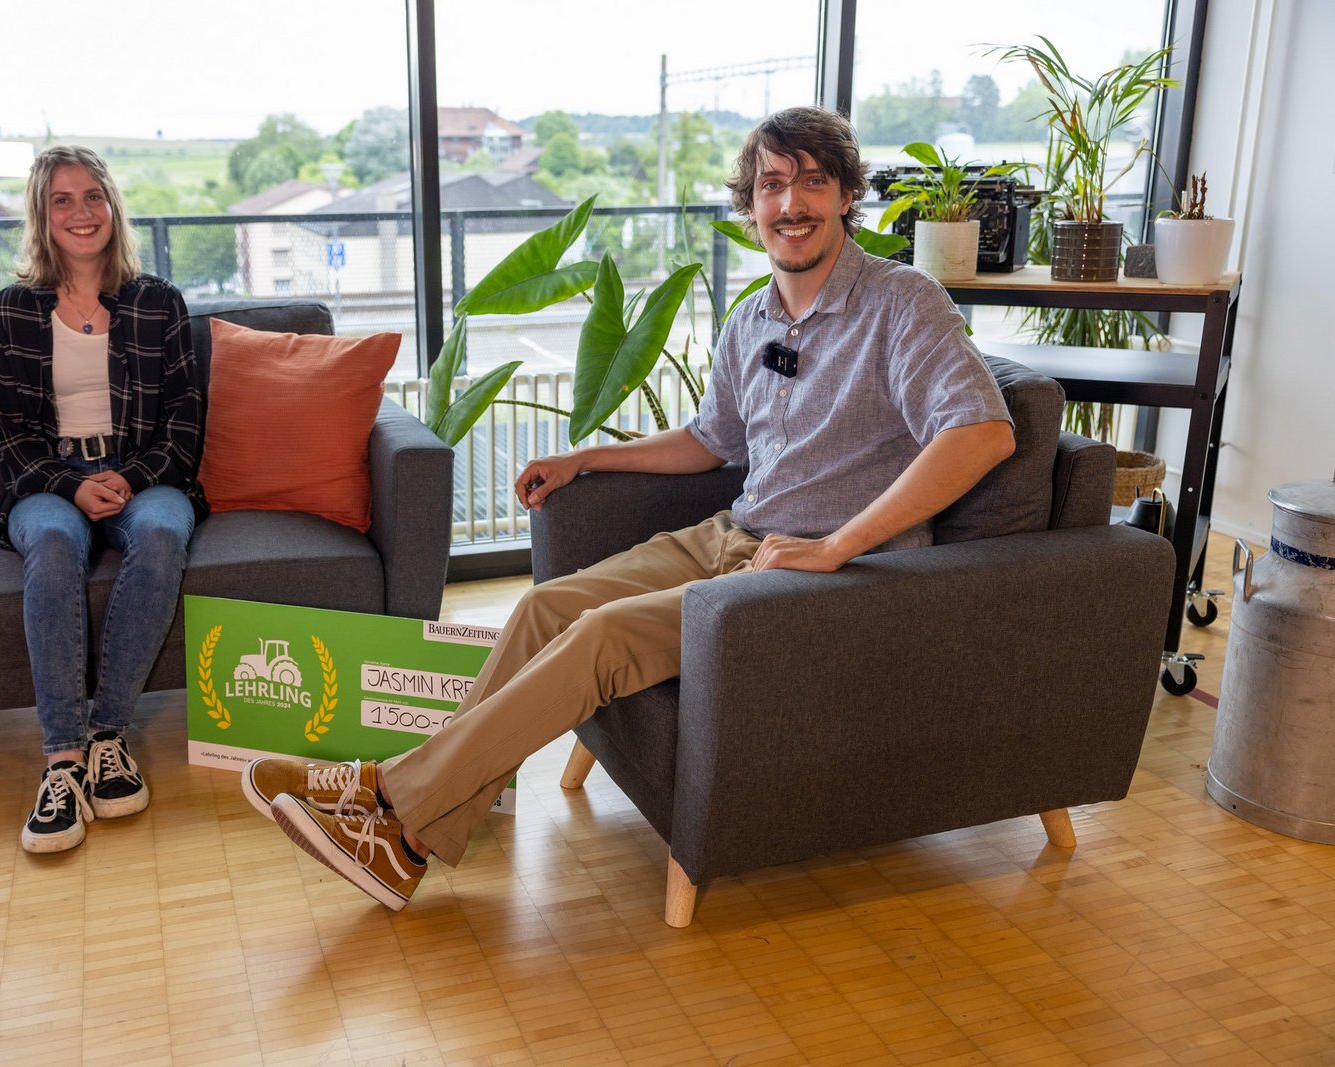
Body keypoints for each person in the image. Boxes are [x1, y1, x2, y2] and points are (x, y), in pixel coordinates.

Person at [242, 106, 1017, 908]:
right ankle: (419, 824)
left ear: (849, 195)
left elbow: (983, 432)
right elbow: (710, 440)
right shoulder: (752, 318)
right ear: (750, 205)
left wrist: (833, 547)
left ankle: (390, 808)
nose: (791, 203)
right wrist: (586, 457)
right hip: (735, 537)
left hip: (830, 577)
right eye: (772, 185)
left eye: (814, 182)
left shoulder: (902, 302)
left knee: (602, 636)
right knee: (544, 607)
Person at [0, 145, 205, 854]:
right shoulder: (11, 311)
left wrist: (128, 478)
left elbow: (184, 426)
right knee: (51, 544)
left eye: (92, 196)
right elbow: (10, 437)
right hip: (49, 479)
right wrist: (72, 484)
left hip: (144, 474)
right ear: (42, 215)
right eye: (62, 200)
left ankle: (108, 736)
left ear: (112, 206)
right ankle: (62, 760)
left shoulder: (158, 302)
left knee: (162, 535)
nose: (81, 212)